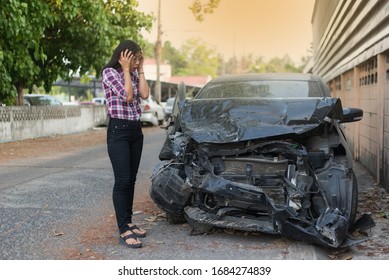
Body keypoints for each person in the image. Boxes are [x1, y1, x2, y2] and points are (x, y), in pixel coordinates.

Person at [102, 40, 149, 248]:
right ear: (124, 55)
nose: (138, 60)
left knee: (131, 179)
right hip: (118, 131)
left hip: (135, 131)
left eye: (140, 57)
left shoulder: (137, 73)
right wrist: (127, 70)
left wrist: (141, 70)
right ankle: (123, 230)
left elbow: (145, 94)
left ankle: (129, 221)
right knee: (122, 181)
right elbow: (129, 96)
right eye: (135, 57)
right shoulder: (109, 73)